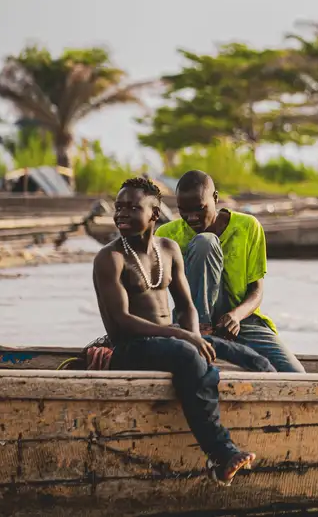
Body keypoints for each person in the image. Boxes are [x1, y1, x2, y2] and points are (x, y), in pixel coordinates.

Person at [92, 177, 260, 485]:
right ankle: (220, 454)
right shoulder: (110, 258)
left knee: (250, 356)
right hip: (131, 347)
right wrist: (184, 337)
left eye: (132, 207)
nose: (121, 214)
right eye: (119, 207)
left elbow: (186, 307)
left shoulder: (168, 249)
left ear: (154, 214)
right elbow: (121, 319)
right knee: (187, 355)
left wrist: (193, 334)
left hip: (168, 339)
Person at [156, 170, 306, 373]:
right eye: (184, 211)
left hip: (241, 321)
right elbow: (156, 293)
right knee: (205, 242)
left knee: (295, 375)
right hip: (190, 325)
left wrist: (235, 316)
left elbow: (256, 290)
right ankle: (203, 330)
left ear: (215, 199)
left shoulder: (247, 227)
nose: (191, 218)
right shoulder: (167, 234)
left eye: (199, 209)